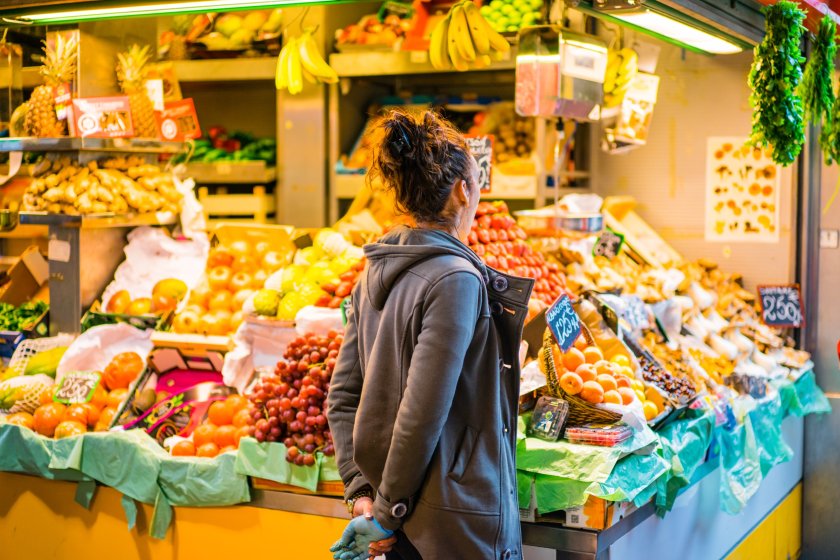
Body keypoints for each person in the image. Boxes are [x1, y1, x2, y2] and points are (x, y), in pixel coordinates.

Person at [327, 109, 533, 560]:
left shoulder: (373, 272)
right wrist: (385, 511)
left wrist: (364, 494)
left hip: (400, 523)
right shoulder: (455, 279)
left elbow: (343, 395)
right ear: (463, 189)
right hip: (452, 527)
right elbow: (421, 414)